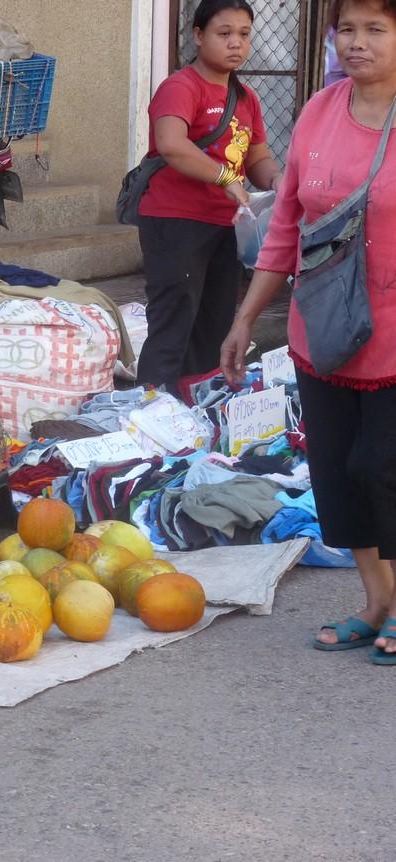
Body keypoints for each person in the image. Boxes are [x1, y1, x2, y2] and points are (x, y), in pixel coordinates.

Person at [220, 0, 396, 664]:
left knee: (382, 468)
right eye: (346, 29)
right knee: (336, 477)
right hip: (321, 331)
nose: (357, 43)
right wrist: (243, 319)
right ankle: (377, 600)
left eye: (376, 29)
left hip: (393, 335)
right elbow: (285, 227)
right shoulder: (321, 110)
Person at [135, 0, 281, 397]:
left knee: (213, 324)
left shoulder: (246, 97)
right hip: (175, 221)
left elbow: (258, 158)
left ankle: (197, 409)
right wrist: (225, 177)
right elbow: (171, 144)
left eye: (244, 34)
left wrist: (280, 181)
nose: (236, 43)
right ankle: (152, 410)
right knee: (173, 321)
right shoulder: (181, 87)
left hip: (227, 227)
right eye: (224, 33)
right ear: (198, 36)